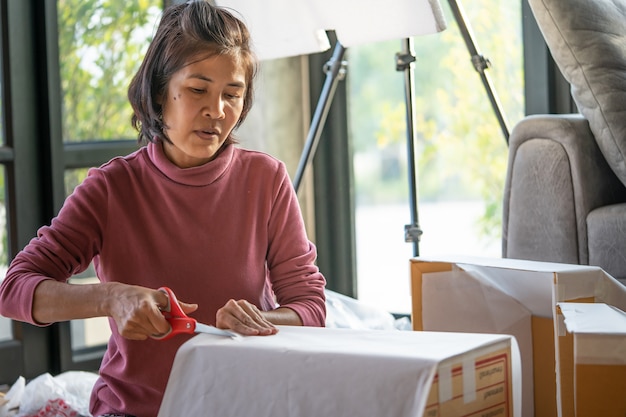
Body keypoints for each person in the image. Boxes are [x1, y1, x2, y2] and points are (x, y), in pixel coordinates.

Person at [0, 1, 326, 416]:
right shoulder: (110, 188)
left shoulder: (266, 180)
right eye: (197, 89)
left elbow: (311, 307)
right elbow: (14, 289)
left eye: (233, 94)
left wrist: (265, 320)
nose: (217, 111)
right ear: (159, 91)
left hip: (246, 403)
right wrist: (110, 299)